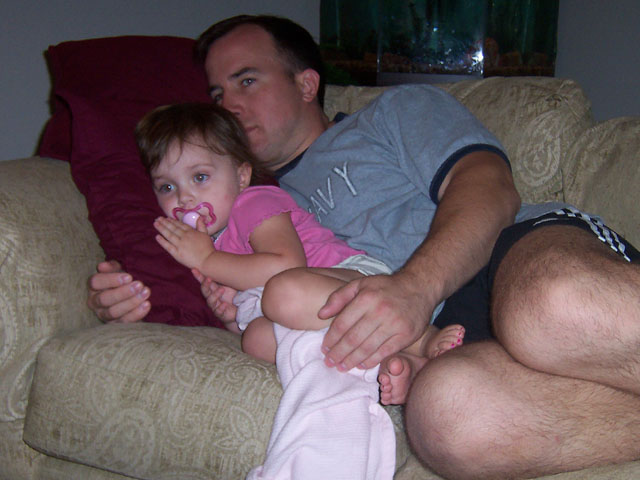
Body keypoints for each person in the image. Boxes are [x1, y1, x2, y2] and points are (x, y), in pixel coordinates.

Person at [87, 14, 640, 479]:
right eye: (216, 94)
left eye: (246, 81)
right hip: (445, 336)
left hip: (511, 251)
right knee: (448, 417)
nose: (228, 104)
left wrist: (414, 288)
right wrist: (131, 293)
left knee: (552, 307)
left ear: (306, 84)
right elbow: (223, 282)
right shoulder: (233, 204)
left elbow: (489, 187)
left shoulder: (395, 113)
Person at [135, 101, 464, 368]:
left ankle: (422, 339)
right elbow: (257, 307)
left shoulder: (253, 202)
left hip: (353, 280)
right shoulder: (212, 243)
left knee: (284, 294)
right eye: (167, 187)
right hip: (304, 311)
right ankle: (395, 363)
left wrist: (208, 260)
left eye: (200, 177)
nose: (184, 197)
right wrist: (233, 315)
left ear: (241, 175)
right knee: (255, 340)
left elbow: (285, 266)